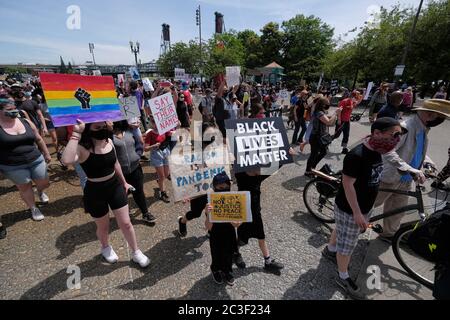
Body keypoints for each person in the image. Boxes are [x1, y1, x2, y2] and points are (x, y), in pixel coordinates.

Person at [322, 117, 405, 300]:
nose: (396, 139)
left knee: (341, 230)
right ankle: (342, 276)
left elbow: (390, 161)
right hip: (351, 209)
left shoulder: (378, 148)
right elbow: (348, 185)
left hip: (363, 206)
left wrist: (412, 171)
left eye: (399, 135)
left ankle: (330, 249)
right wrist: (358, 213)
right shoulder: (356, 155)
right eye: (394, 135)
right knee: (348, 246)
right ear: (377, 133)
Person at [61, 120, 150, 268]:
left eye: (103, 126)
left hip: (114, 186)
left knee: (126, 223)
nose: (102, 129)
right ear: (88, 129)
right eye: (97, 127)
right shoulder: (82, 148)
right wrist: (76, 133)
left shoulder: (108, 141)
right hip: (95, 190)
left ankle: (136, 252)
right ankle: (105, 247)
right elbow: (66, 160)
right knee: (103, 226)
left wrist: (124, 183)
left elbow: (115, 164)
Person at [373, 99, 450, 241]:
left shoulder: (423, 128)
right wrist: (409, 168)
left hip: (407, 178)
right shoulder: (405, 127)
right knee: (370, 204)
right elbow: (388, 151)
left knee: (397, 209)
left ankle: (389, 234)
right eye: (441, 118)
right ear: (429, 114)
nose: (440, 121)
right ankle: (349, 224)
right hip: (391, 176)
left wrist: (428, 163)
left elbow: (416, 150)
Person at [0, 94, 51, 221]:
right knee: (25, 187)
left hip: (36, 159)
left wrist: (46, 153)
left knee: (44, 182)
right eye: (9, 109)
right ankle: (33, 208)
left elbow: (38, 138)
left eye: (14, 108)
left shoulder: (25, 121)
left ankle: (40, 191)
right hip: (13, 165)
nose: (14, 111)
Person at [112, 120, 156, 223]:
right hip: (119, 173)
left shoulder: (129, 130)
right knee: (123, 195)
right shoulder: (107, 136)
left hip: (135, 168)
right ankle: (125, 214)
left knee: (139, 192)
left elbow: (139, 143)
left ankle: (145, 213)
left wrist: (138, 154)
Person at [205, 172, 240, 286]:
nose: (223, 190)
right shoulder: (211, 204)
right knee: (216, 255)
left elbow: (237, 225)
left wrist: (230, 217)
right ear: (214, 188)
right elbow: (208, 227)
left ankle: (227, 271)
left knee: (229, 254)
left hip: (229, 234)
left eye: (226, 187)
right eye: (219, 188)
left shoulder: (235, 201)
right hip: (215, 235)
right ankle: (215, 269)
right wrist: (208, 214)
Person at [305, 97, 338, 176]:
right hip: (316, 137)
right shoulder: (319, 112)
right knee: (314, 154)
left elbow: (331, 122)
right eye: (327, 104)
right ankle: (308, 171)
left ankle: (312, 167)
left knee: (323, 152)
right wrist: (335, 113)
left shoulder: (322, 112)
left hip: (320, 136)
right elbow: (328, 122)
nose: (328, 105)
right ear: (322, 105)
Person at [144, 114, 172, 203]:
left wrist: (178, 125)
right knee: (162, 176)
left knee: (167, 174)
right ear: (152, 124)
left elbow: (172, 133)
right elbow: (145, 148)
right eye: (154, 122)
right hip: (156, 154)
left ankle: (160, 181)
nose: (156, 124)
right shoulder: (150, 134)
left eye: (157, 122)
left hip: (165, 152)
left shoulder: (163, 130)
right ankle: (162, 192)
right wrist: (154, 145)